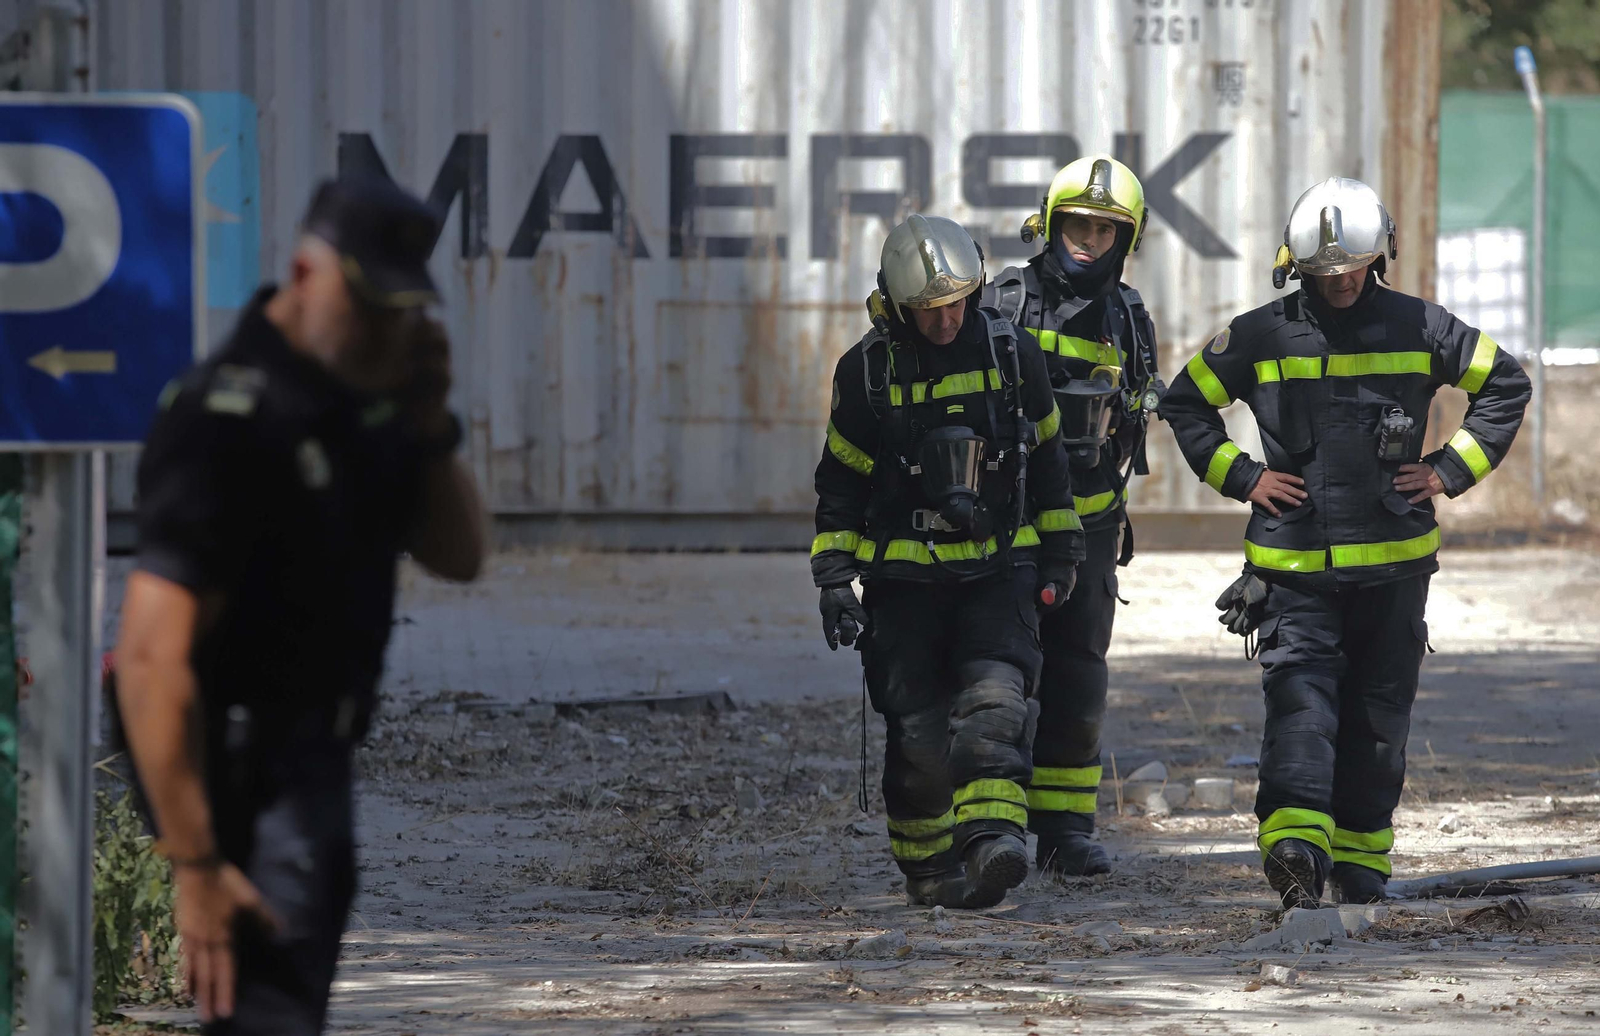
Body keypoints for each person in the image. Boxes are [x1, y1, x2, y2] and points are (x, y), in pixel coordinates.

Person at [113, 176, 487, 1034]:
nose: (385, 333)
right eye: (369, 308)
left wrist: (430, 423)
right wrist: (197, 863)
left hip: (316, 772)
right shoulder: (227, 419)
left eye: (401, 313)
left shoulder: (358, 408)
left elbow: (459, 555)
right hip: (244, 786)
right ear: (303, 274)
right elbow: (147, 659)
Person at [1161, 177, 1530, 909]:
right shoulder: (1262, 333)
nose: (1339, 282)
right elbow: (1185, 401)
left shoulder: (1424, 326)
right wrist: (1245, 477)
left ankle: (1361, 865)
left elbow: (1505, 386)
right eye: (1324, 273)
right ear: (1297, 267)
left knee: (1378, 719)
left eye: (1352, 268)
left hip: (1394, 571)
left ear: (1380, 257)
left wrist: (1448, 469)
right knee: (1300, 706)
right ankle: (1296, 852)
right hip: (1293, 572)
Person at [812, 213, 1084, 909]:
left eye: (957, 302)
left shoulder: (1011, 355)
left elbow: (1050, 463)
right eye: (928, 310)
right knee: (918, 735)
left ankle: (995, 843)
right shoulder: (867, 373)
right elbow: (839, 486)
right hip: (903, 584)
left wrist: (1061, 555)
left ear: (979, 288)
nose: (945, 321)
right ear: (897, 305)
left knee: (997, 704)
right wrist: (835, 581)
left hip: (997, 570)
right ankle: (931, 872)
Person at [983, 155, 1163, 878]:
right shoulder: (1005, 300)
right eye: (1077, 224)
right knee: (996, 680)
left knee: (1078, 680)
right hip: (1009, 531)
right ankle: (991, 831)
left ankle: (1065, 832)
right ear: (1050, 223)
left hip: (1089, 531)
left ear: (1127, 239)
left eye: (1105, 228)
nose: (1088, 239)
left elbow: (1141, 415)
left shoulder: (1129, 317)